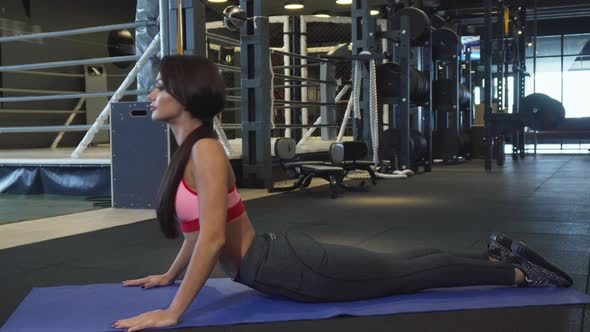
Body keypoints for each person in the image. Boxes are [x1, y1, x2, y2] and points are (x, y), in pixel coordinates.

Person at [112, 55, 573, 332]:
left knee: (410, 273)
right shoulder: (190, 147)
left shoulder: (207, 152)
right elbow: (198, 231)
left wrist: (173, 312)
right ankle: (496, 259)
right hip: (278, 259)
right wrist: (168, 276)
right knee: (408, 263)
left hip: (292, 269)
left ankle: (517, 274)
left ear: (186, 95)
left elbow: (212, 241)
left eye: (159, 87)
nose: (150, 95)